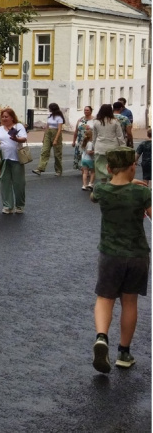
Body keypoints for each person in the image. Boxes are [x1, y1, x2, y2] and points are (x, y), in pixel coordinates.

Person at [89, 147, 151, 374]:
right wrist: (132, 184)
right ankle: (124, 352)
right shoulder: (142, 193)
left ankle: (102, 337)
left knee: (105, 298)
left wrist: (121, 180)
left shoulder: (102, 190)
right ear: (133, 167)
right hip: (137, 256)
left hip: (110, 254)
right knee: (130, 302)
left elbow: (94, 195)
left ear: (109, 168)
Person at [0, 108, 28, 214]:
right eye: (2, 117)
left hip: (17, 158)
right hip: (4, 158)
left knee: (19, 183)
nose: (4, 118)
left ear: (12, 117)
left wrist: (16, 139)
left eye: (6, 116)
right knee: (5, 182)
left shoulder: (18, 126)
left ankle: (20, 206)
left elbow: (24, 138)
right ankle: (8, 206)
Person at [92, 104, 126, 185]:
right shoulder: (115, 122)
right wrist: (123, 147)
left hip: (100, 147)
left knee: (101, 167)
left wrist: (94, 147)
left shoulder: (96, 122)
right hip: (113, 147)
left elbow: (94, 136)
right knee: (112, 167)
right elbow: (120, 136)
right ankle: (111, 183)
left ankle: (103, 184)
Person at [32, 103, 65, 176]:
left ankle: (58, 170)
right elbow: (47, 126)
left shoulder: (59, 117)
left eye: (49, 108)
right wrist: (44, 137)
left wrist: (56, 139)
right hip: (48, 133)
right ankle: (40, 168)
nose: (49, 109)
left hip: (56, 133)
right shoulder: (50, 116)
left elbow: (59, 129)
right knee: (45, 151)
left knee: (57, 153)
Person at [72, 106, 95, 171]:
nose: (86, 111)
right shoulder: (80, 120)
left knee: (89, 155)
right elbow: (76, 131)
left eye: (87, 110)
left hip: (90, 141)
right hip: (80, 141)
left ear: (91, 111)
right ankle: (83, 169)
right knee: (81, 155)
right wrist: (74, 141)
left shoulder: (95, 120)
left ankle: (90, 169)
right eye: (85, 110)